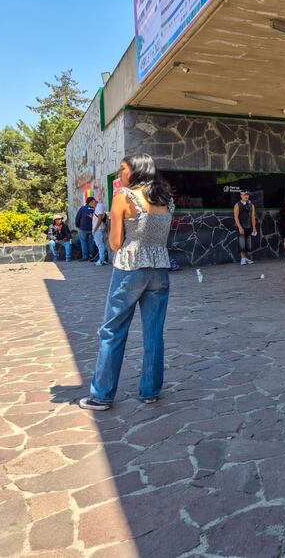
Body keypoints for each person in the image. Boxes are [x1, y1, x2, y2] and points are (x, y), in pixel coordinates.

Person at [79, 153, 175, 411]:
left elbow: (115, 243)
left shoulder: (124, 197)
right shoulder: (166, 200)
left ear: (136, 171)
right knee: (154, 333)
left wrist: (113, 217)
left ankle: (101, 395)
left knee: (112, 331)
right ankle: (150, 390)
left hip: (130, 269)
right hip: (159, 270)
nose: (121, 174)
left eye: (123, 169)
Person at [234, 189, 257, 265]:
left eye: (247, 195)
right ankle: (243, 259)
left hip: (248, 226)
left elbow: (253, 217)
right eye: (244, 195)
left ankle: (245, 258)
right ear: (241, 196)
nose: (246, 196)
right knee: (241, 243)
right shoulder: (237, 204)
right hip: (240, 226)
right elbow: (236, 217)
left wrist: (254, 227)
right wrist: (240, 227)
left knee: (247, 244)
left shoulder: (251, 205)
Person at [75, 197, 96, 261]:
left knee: (83, 243)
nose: (95, 203)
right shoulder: (94, 209)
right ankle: (91, 256)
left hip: (83, 229)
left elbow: (77, 218)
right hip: (92, 229)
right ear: (91, 202)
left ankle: (85, 257)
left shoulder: (83, 208)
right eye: (94, 202)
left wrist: (77, 225)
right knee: (91, 243)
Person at [92, 196, 108, 266]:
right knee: (100, 244)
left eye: (90, 204)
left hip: (98, 229)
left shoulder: (99, 206)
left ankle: (102, 260)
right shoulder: (98, 207)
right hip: (98, 228)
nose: (91, 206)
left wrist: (95, 228)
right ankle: (102, 259)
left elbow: (100, 218)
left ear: (93, 201)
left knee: (100, 244)